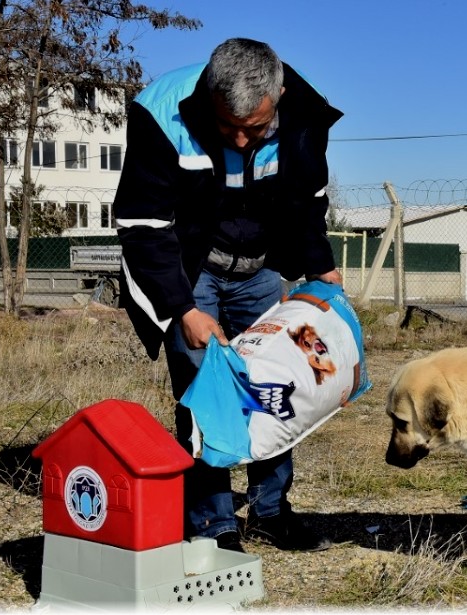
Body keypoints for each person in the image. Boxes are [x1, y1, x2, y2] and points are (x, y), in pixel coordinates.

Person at [113, 38, 343, 553]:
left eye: (255, 128)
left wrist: (320, 265)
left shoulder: (304, 114)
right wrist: (183, 309)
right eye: (227, 126)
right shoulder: (161, 111)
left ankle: (269, 510)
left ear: (278, 96)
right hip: (193, 274)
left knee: (274, 388)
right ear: (209, 98)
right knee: (207, 394)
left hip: (261, 271)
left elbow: (308, 202)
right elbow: (143, 225)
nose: (241, 141)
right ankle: (213, 523)